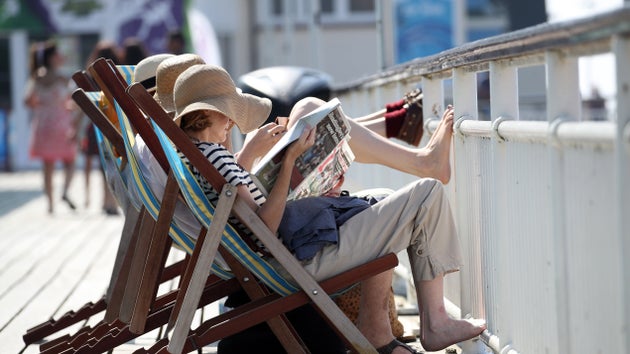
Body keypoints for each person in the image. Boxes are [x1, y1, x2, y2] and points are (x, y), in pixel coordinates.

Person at [171, 64, 486, 353]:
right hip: (293, 258)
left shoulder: (201, 156)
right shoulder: (215, 158)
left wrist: (260, 158)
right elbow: (264, 227)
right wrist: (290, 162)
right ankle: (434, 322)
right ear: (210, 114)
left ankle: (379, 332)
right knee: (426, 193)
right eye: (228, 114)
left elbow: (243, 210)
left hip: (283, 248)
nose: (231, 123)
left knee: (382, 199)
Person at [24, 40, 80, 214]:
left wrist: (42, 105)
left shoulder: (37, 77)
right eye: (58, 54)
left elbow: (27, 100)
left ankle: (50, 204)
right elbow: (74, 100)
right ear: (52, 57)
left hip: (43, 125)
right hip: (62, 125)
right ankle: (64, 191)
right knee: (70, 161)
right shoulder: (62, 78)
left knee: (47, 166)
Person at [83, 40, 121, 215]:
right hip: (117, 123)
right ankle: (112, 202)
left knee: (103, 165)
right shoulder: (118, 74)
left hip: (97, 123)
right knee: (115, 163)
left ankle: (105, 201)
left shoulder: (91, 76)